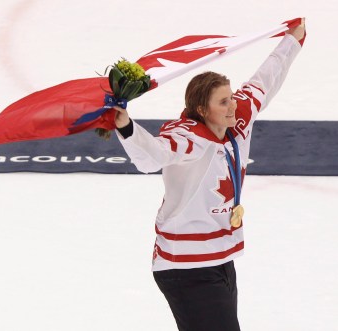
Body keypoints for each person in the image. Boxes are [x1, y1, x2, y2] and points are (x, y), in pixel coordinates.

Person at [114, 19, 306, 331]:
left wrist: (293, 39)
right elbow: (151, 157)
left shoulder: (237, 120)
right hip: (185, 265)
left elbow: (266, 79)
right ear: (202, 110)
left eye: (231, 96)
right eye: (223, 101)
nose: (234, 104)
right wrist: (126, 126)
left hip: (220, 258)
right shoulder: (186, 139)